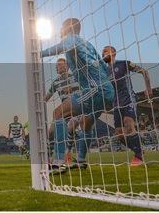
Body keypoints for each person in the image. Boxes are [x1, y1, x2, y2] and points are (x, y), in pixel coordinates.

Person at [41, 18, 115, 170]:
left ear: (68, 27)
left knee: (58, 113)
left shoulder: (71, 39)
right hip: (106, 90)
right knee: (86, 124)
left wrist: (36, 53)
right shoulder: (88, 45)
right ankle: (80, 160)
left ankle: (59, 161)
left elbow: (61, 47)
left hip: (95, 90)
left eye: (62, 26)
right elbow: (102, 65)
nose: (60, 30)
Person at [102, 46, 152, 167]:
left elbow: (144, 72)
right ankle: (139, 149)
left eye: (105, 50)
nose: (103, 53)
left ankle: (138, 156)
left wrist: (148, 88)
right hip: (116, 105)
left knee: (128, 123)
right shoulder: (104, 72)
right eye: (102, 51)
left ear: (113, 52)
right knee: (120, 136)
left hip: (129, 100)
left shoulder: (124, 63)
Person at [43, 58, 80, 171]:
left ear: (67, 66)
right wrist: (37, 104)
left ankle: (66, 157)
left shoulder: (75, 77)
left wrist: (73, 88)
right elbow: (47, 97)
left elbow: (85, 88)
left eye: (61, 65)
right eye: (57, 65)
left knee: (71, 128)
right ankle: (48, 159)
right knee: (50, 132)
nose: (58, 67)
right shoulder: (55, 82)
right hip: (64, 112)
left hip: (78, 108)